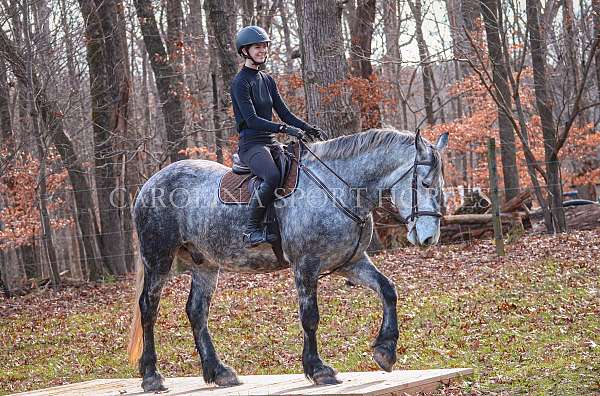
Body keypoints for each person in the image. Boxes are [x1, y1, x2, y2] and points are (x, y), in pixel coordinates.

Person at [231, 25, 325, 248]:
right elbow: (252, 120)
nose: (262, 50)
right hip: (251, 145)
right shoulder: (240, 82)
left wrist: (307, 128)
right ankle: (251, 229)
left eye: (264, 46)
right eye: (257, 47)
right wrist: (284, 130)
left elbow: (284, 113)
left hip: (270, 143)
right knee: (272, 176)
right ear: (245, 51)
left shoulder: (267, 79)